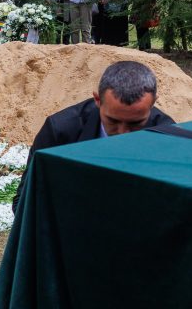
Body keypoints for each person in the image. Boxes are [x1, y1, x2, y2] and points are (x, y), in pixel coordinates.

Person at [13, 61, 174, 212]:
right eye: (113, 121)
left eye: (135, 123)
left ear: (152, 104)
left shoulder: (166, 135)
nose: (122, 133)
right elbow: (24, 202)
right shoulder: (61, 131)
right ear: (98, 100)